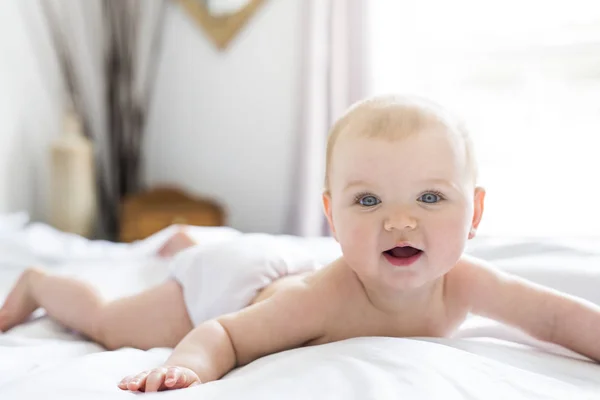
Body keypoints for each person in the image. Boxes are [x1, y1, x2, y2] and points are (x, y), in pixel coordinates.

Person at [1, 95, 599, 394]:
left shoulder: (469, 282)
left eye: (430, 199)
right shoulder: (325, 300)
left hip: (279, 264)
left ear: (477, 213)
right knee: (112, 323)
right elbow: (227, 333)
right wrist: (185, 367)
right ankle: (40, 284)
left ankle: (193, 236)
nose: (400, 224)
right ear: (331, 217)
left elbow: (552, 315)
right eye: (368, 202)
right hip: (232, 286)